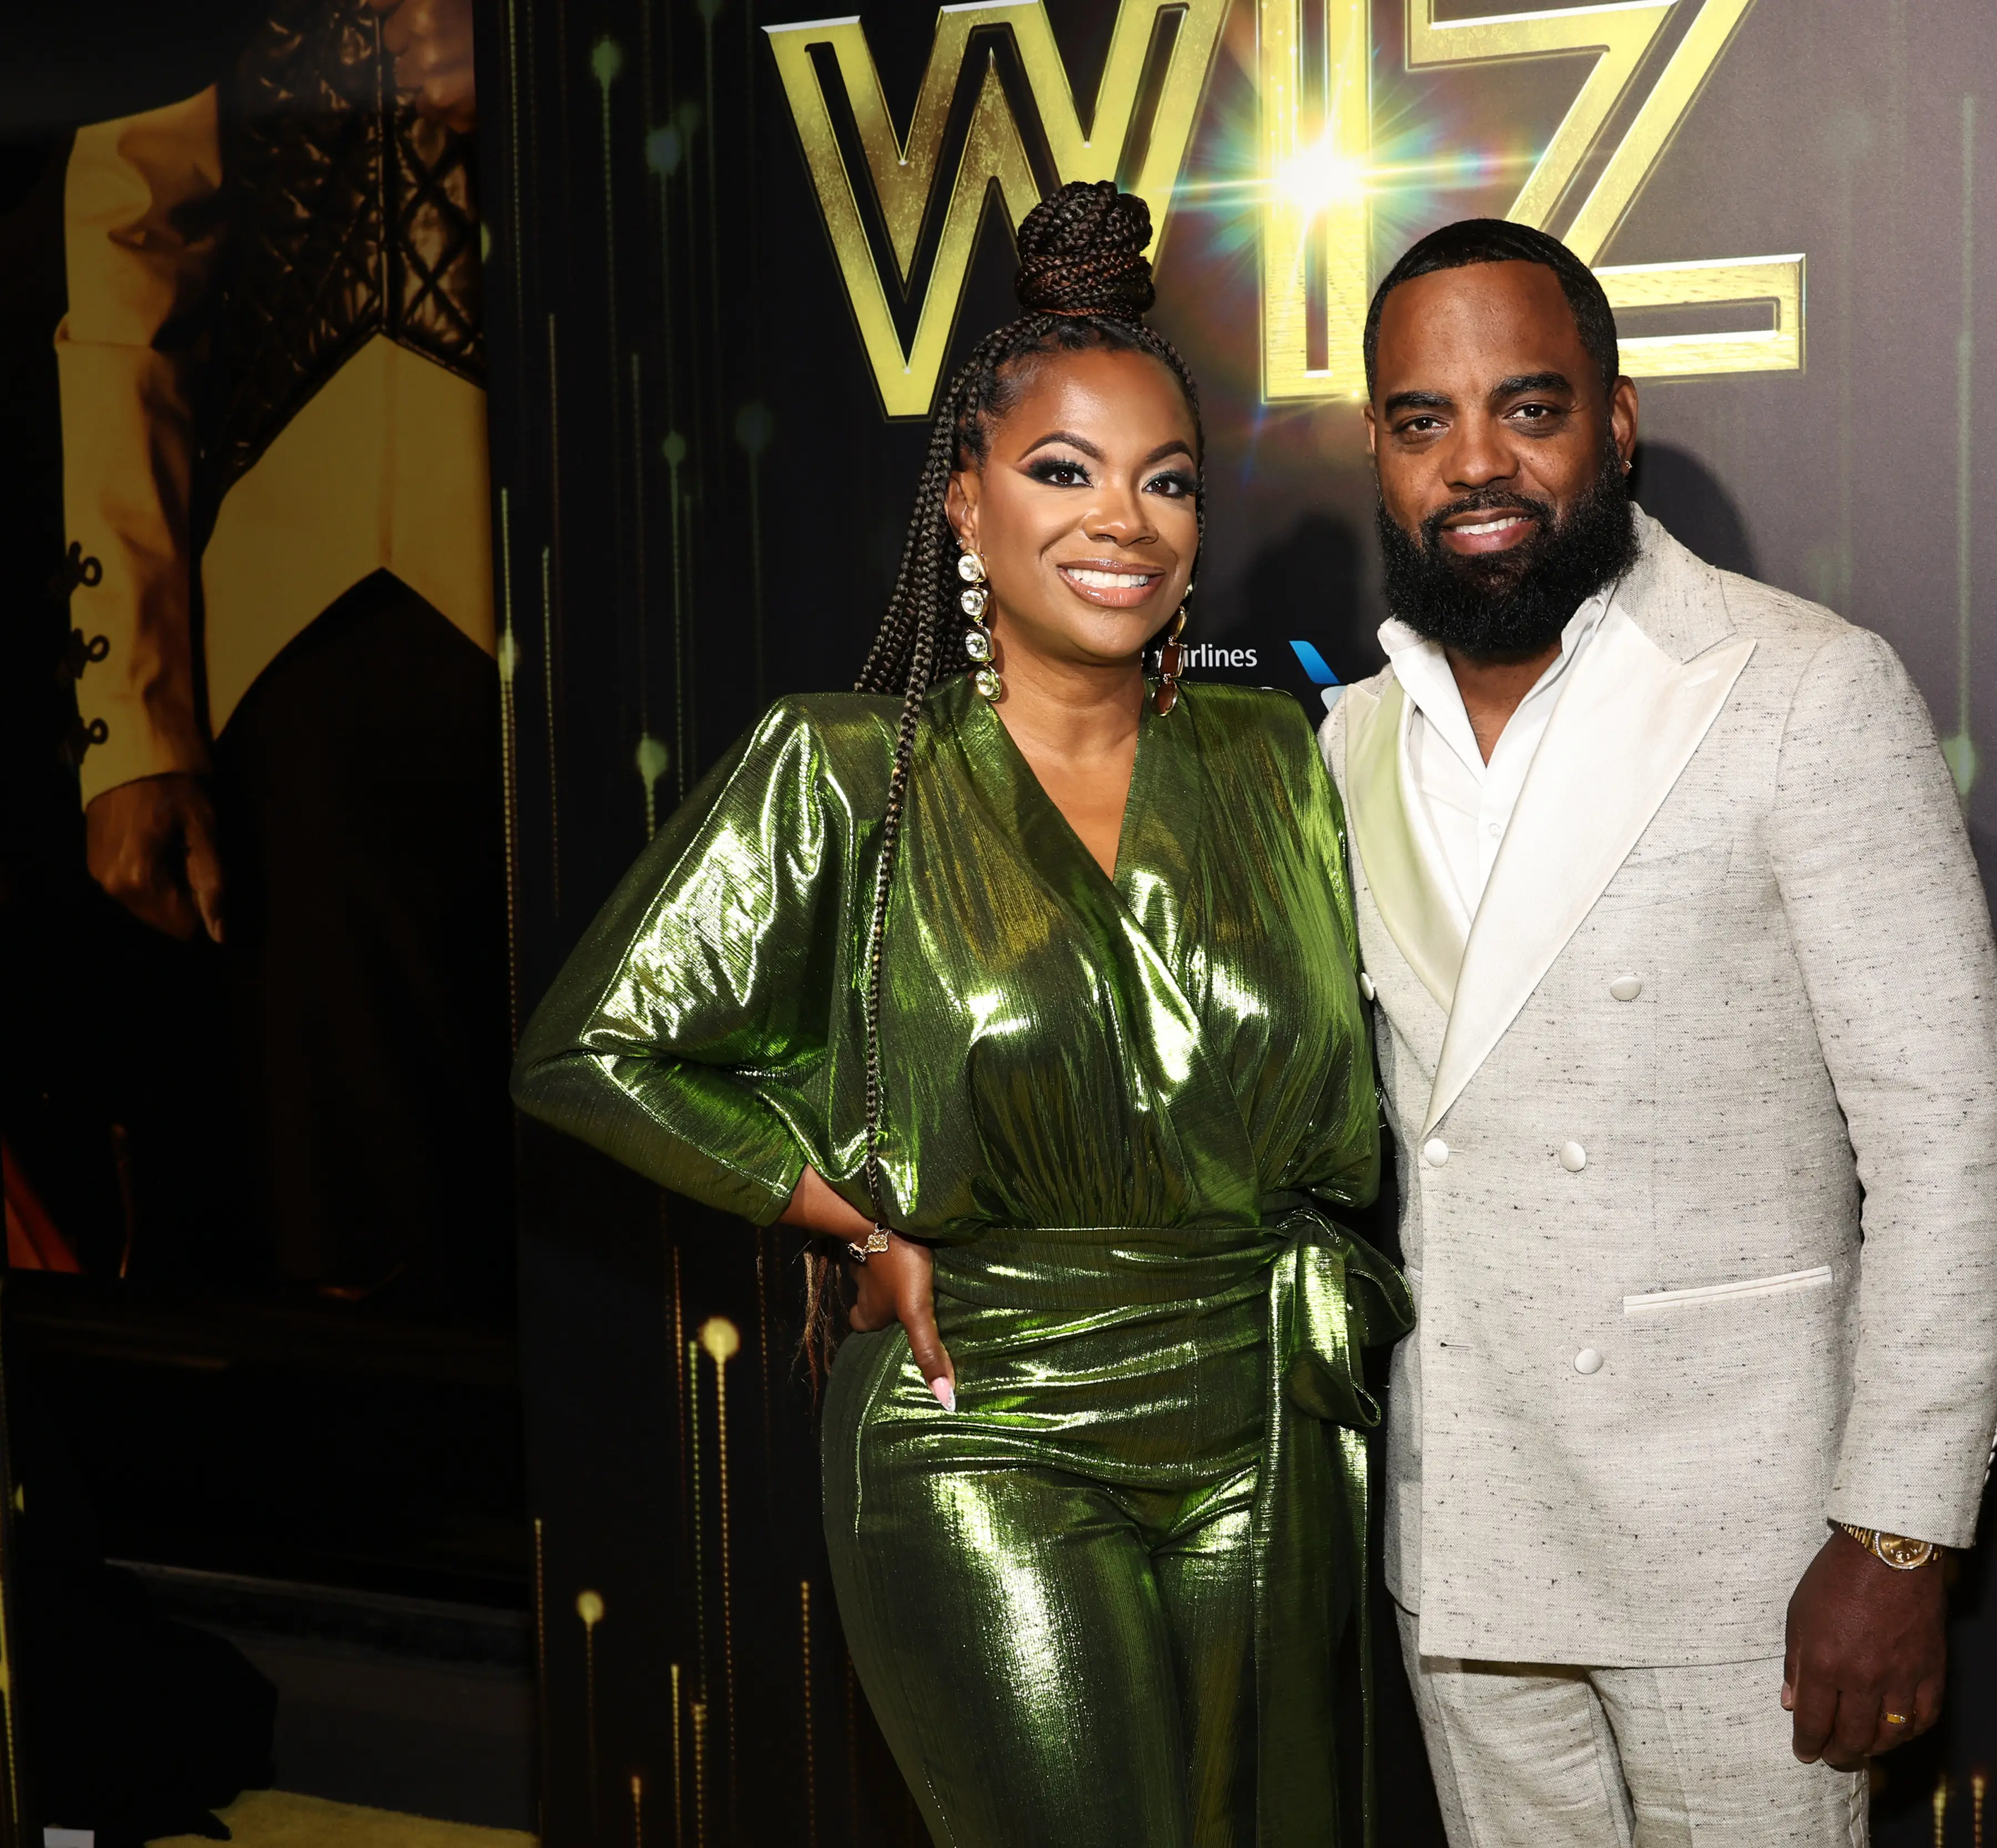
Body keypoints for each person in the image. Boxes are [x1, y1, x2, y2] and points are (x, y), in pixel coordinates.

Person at [514, 182, 1410, 1848]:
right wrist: (842, 1204)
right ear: (969, 508)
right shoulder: (850, 769)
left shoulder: (1273, 759)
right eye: (1064, 472)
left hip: (1263, 1420)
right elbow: (594, 1049)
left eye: (1166, 483)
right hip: (981, 1413)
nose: (1122, 522)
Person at [1322, 220, 1997, 1845]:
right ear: (1377, 449)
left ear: (1616, 421)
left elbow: (1951, 1148)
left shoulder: (1803, 687)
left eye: (1532, 407)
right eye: (1424, 421)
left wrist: (1898, 1534)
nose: (1477, 461)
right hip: (1470, 1532)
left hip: (1748, 1549)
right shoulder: (1349, 736)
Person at [57, 0, 502, 1310]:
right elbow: (125, 254)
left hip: (652, 560)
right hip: (307, 609)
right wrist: (130, 716)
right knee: (362, 1246)